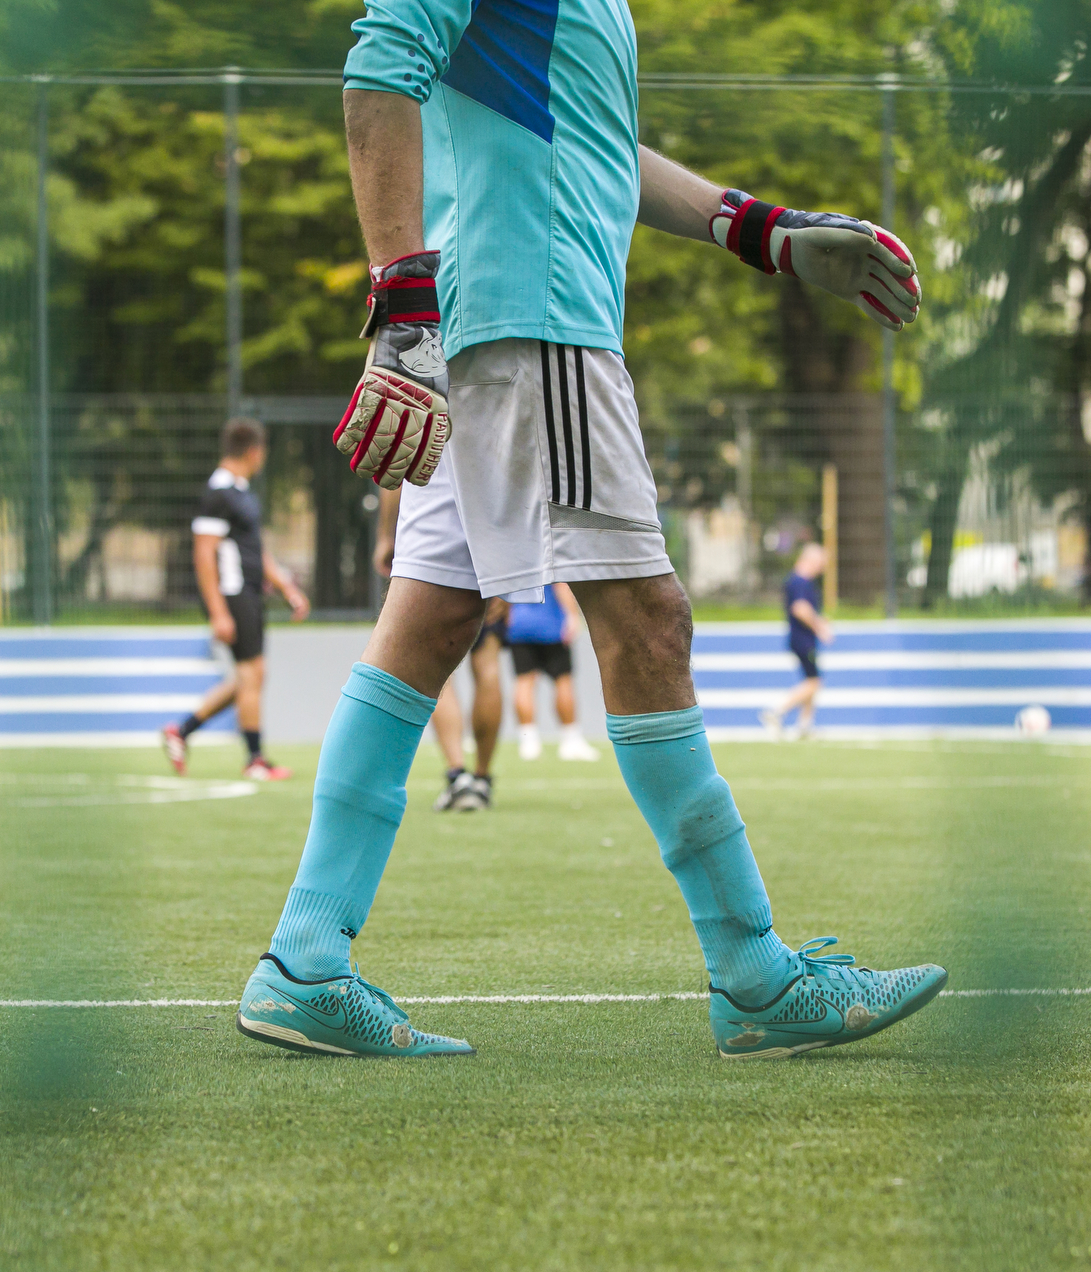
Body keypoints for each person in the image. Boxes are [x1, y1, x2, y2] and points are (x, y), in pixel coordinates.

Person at [235, 0, 943, 1060]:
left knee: (429, 623)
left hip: (493, 319)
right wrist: (401, 310)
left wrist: (757, 230)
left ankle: (304, 963)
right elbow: (381, 65)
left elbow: (590, 143)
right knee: (647, 625)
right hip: (535, 319)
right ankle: (753, 973)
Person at [162, 418, 311, 781]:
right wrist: (218, 613)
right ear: (254, 451)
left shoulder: (240, 492)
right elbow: (203, 554)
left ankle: (181, 731)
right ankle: (255, 760)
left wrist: (286, 587)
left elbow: (255, 550)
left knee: (251, 677)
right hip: (232, 594)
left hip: (248, 593)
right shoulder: (219, 493)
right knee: (251, 675)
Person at [375, 484, 505, 810]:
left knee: (437, 670)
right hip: (491, 543)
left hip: (433, 543)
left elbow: (395, 477)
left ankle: (458, 775)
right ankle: (482, 779)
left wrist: (386, 537)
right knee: (488, 668)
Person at [507, 583, 599, 762]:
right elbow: (560, 585)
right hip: (551, 624)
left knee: (524, 682)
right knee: (563, 681)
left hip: (520, 624)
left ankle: (528, 741)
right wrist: (572, 615)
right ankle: (571, 740)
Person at [762, 543, 835, 741]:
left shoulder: (797, 581)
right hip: (803, 640)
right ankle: (776, 711)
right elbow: (800, 609)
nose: (821, 569)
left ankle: (805, 725)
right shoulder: (800, 581)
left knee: (811, 679)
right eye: (820, 564)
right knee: (814, 682)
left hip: (802, 639)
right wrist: (819, 627)